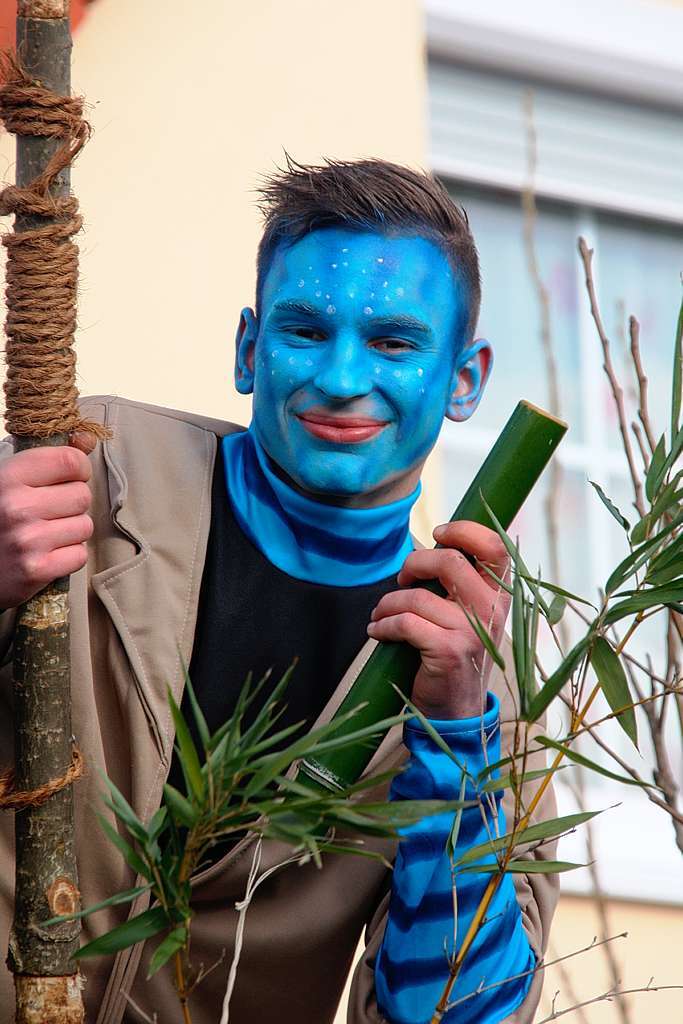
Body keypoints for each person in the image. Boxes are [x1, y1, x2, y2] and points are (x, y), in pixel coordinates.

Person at [0, 158, 557, 1024]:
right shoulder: (84, 472)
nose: (339, 378)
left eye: (392, 343)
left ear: (464, 379)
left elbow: (455, 1015)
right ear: (248, 350)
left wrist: (455, 743)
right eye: (304, 331)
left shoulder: (476, 678)